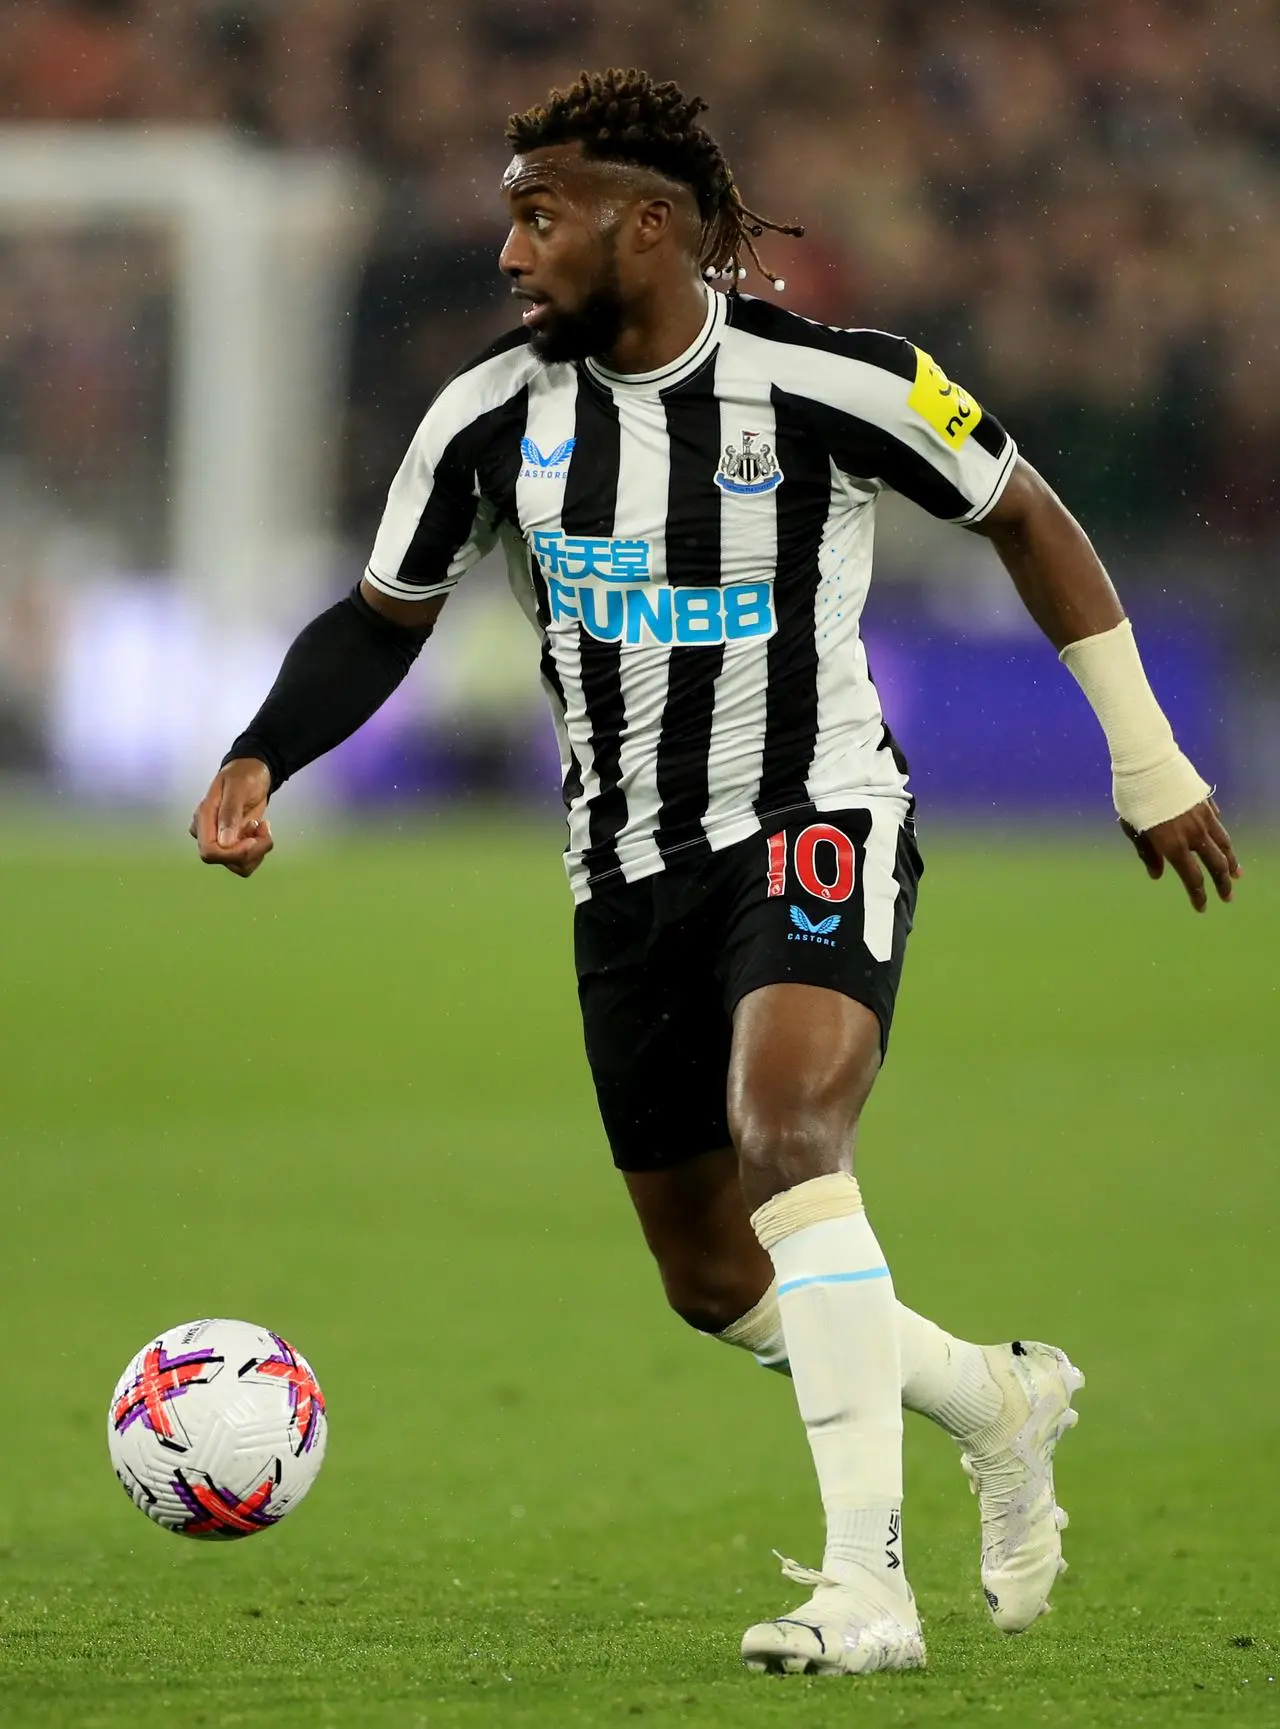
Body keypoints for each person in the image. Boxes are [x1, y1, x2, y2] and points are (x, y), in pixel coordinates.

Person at [190, 69, 1239, 1678]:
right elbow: (378, 618)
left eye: (541, 216)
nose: (510, 252)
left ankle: (865, 1591)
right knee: (708, 1276)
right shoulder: (485, 417)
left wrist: (1146, 754)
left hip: (813, 816)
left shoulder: (837, 381)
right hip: (621, 866)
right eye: (508, 217)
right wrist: (265, 751)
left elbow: (1027, 514)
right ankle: (994, 1398)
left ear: (651, 225)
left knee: (790, 1135)